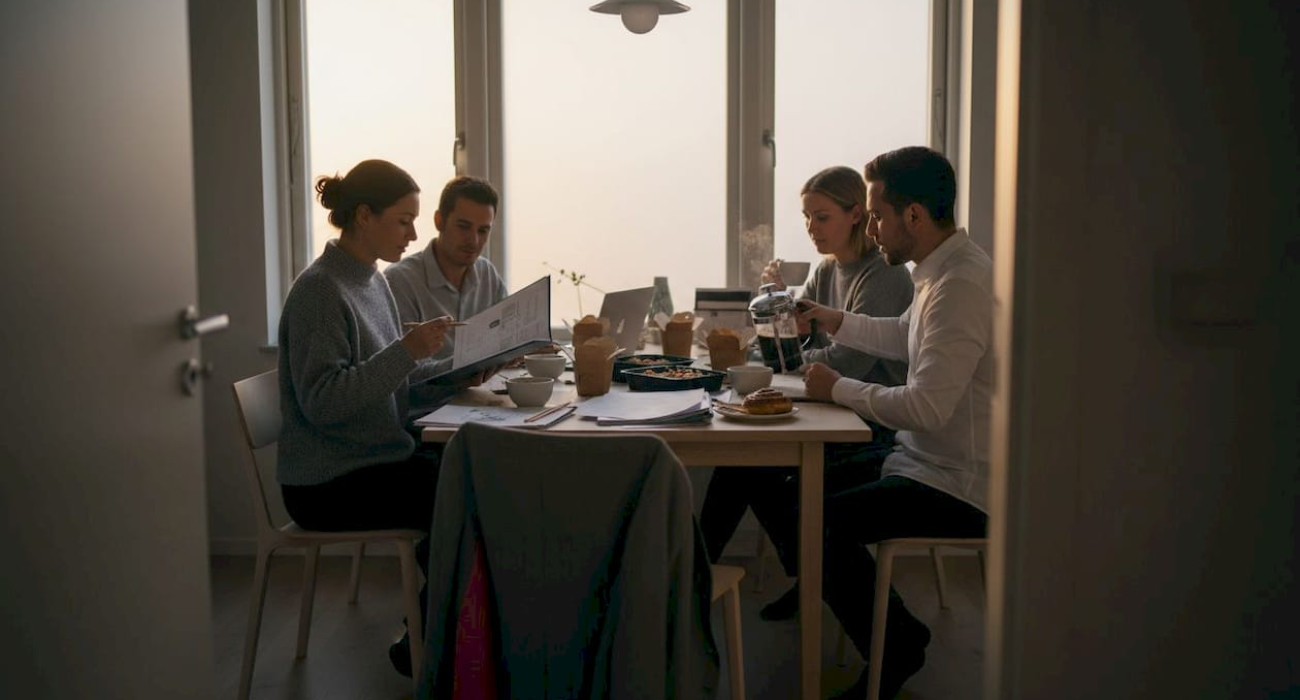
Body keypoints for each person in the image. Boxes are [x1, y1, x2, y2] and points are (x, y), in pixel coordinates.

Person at [798, 146, 992, 699]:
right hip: (921, 460)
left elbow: (927, 408)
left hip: (957, 483)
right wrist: (835, 320)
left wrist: (839, 388)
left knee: (816, 523)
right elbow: (903, 334)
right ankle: (883, 629)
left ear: (913, 216)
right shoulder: (940, 271)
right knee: (796, 496)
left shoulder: (960, 285)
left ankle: (899, 644)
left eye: (878, 216)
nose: (872, 228)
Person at [698, 166, 913, 620]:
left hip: (873, 425)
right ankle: (806, 576)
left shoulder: (884, 276)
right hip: (834, 409)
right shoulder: (827, 268)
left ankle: (700, 583)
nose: (812, 228)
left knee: (752, 468)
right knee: (741, 462)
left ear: (856, 215)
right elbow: (800, 348)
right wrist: (779, 310)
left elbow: (845, 363)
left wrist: (795, 350)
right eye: (807, 217)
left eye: (822, 217)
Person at [276, 159, 452, 678]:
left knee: (469, 468)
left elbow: (391, 377)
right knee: (464, 490)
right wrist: (407, 351)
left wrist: (460, 370)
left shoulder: (371, 280)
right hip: (327, 482)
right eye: (403, 221)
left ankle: (436, 633)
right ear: (363, 216)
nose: (413, 235)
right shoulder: (320, 291)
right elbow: (324, 402)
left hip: (373, 460)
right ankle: (430, 640)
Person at [385, 176, 508, 408]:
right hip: (425, 415)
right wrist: (461, 370)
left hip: (478, 404)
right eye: (463, 227)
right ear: (439, 221)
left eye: (483, 230)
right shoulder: (399, 281)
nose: (474, 241)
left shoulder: (487, 274)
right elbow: (400, 377)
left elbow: (507, 335)